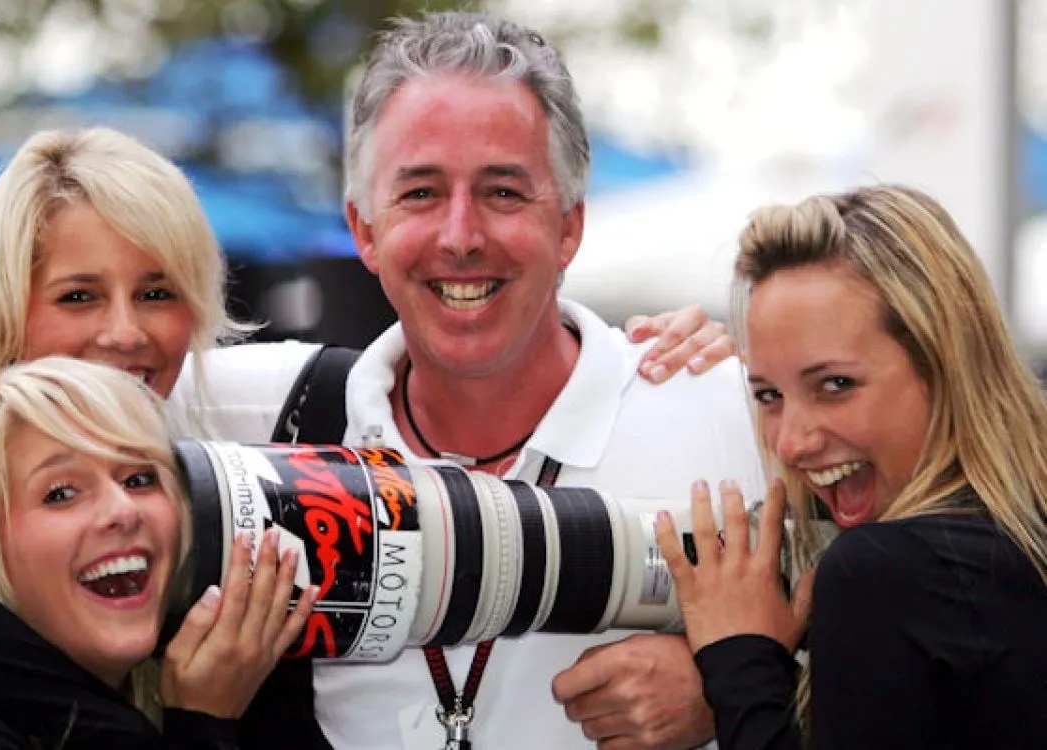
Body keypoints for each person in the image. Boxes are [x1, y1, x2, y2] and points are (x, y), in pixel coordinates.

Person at [0, 122, 731, 747]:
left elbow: (416, 367)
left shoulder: (259, 420)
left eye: (158, 292)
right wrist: (201, 717)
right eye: (78, 297)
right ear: (5, 310)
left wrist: (660, 360)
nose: (125, 334)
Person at [199, 11, 765, 749]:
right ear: (364, 229)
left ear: (568, 226)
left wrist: (734, 682)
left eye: (502, 192)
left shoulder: (726, 415)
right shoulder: (267, 417)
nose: (461, 236)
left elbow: (902, 634)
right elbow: (61, 383)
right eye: (422, 193)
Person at [656, 184, 1047, 749]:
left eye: (836, 386)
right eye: (768, 395)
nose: (791, 444)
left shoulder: (883, 572)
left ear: (944, 364)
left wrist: (739, 658)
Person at [0, 356, 316, 748]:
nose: (123, 510)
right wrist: (203, 727)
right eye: (61, 493)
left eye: (139, 479)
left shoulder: (229, 681)